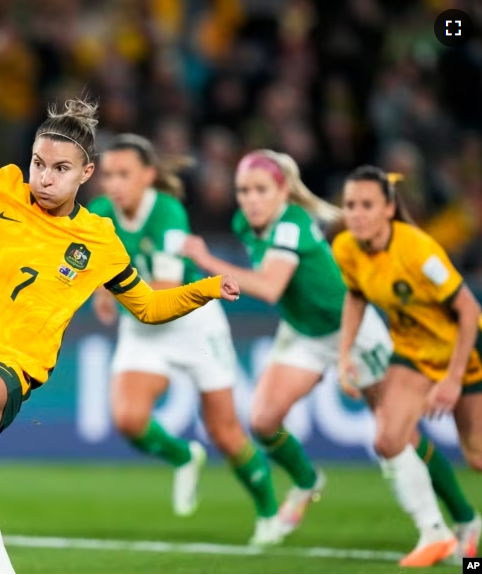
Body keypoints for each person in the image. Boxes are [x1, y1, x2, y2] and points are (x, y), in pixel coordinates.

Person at [0, 100, 240, 574]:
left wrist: (207, 289)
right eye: (38, 164)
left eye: (60, 168)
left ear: (86, 173)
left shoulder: (99, 241)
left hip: (8, 364)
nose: (44, 177)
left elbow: (149, 307)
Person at [182, 152, 478, 559]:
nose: (250, 200)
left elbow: (270, 288)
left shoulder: (293, 223)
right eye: (243, 191)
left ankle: (461, 519)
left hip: (353, 332)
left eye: (260, 190)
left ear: (283, 191)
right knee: (263, 420)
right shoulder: (244, 224)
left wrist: (206, 261)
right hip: (303, 332)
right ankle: (307, 482)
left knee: (400, 437)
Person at [88, 135, 281, 544]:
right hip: (141, 325)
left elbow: (163, 289)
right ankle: (183, 457)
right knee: (128, 418)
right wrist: (98, 292)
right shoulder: (100, 213)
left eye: (124, 174)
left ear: (148, 176)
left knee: (225, 432)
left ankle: (269, 510)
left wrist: (110, 290)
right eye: (108, 175)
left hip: (192, 320)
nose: (114, 184)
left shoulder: (167, 212)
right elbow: (92, 266)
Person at [334, 165, 482, 567]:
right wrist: (344, 354)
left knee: (477, 457)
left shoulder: (418, 250)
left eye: (367, 205)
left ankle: (469, 524)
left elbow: (469, 310)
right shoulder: (346, 248)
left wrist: (453, 380)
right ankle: (435, 532)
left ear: (388, 208)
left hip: (465, 353)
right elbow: (355, 297)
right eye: (350, 205)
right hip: (413, 353)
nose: (357, 213)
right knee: (387, 439)